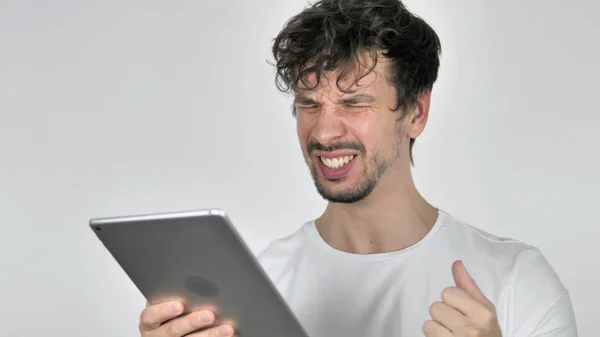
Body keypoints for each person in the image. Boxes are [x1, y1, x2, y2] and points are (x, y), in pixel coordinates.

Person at [138, 0, 577, 336]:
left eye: (354, 103)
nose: (324, 132)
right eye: (309, 104)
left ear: (416, 113)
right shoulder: (256, 287)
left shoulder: (517, 281)